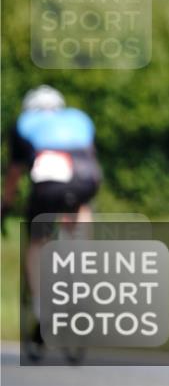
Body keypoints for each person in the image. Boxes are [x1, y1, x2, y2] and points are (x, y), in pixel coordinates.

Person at [2, 85, 102, 349]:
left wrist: (6, 205)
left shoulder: (24, 123)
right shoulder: (78, 118)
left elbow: (14, 174)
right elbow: (89, 159)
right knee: (80, 212)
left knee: (38, 241)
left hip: (47, 185)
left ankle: (40, 309)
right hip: (85, 179)